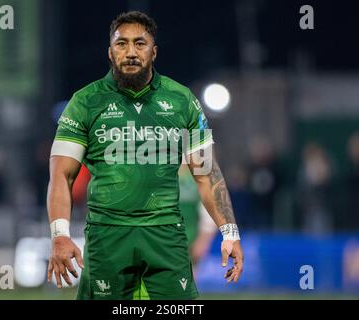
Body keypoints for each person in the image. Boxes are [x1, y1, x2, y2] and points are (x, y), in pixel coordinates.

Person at [46, 11, 243, 300]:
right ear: (110, 53)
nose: (130, 52)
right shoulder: (85, 102)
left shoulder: (182, 101)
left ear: (154, 52)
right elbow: (61, 174)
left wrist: (230, 232)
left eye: (140, 43)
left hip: (166, 234)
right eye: (121, 44)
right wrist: (59, 235)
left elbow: (206, 173)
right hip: (108, 235)